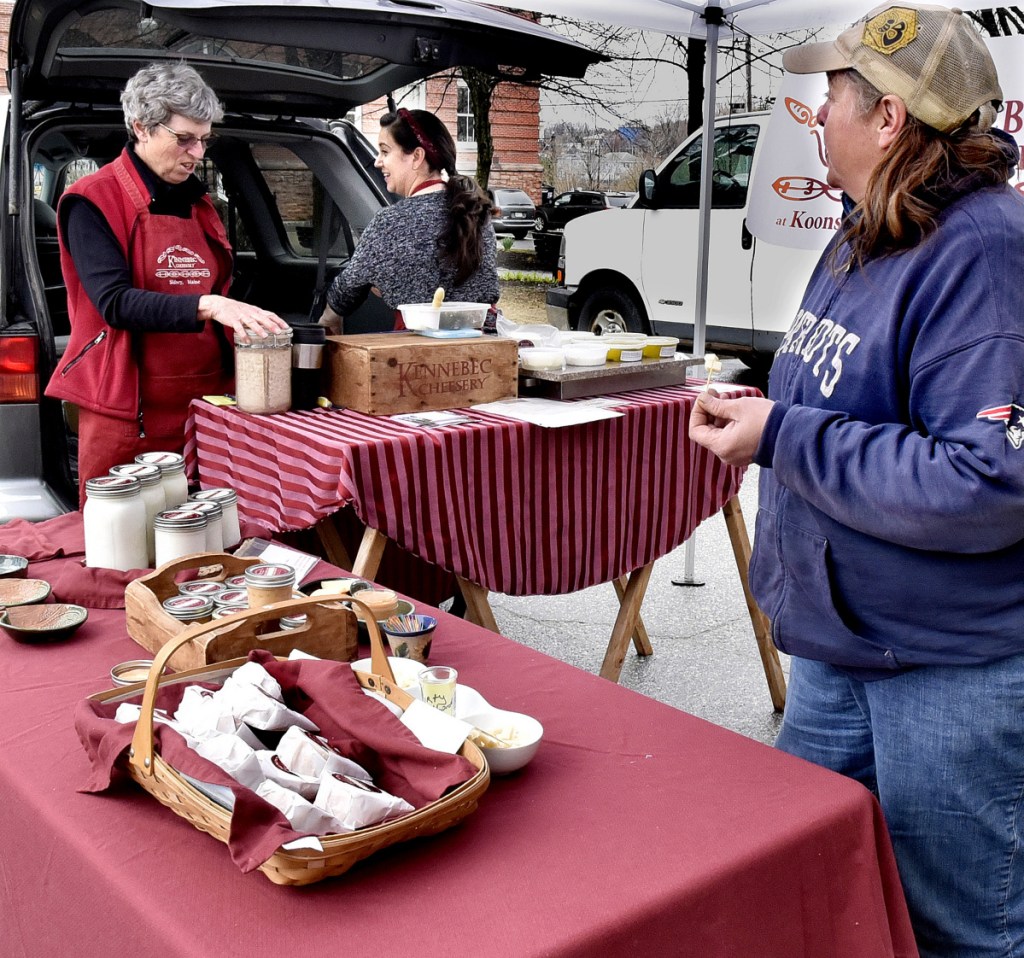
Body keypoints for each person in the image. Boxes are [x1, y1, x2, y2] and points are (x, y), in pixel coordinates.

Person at [689, 5, 1024, 954]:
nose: (816, 112)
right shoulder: (867, 229)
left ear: (888, 120)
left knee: (962, 929)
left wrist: (782, 433)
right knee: (820, 894)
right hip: (842, 652)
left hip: (942, 671)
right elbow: (850, 403)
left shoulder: (988, 250)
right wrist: (765, 407)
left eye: (832, 92)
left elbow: (986, 482)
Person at [46, 62, 289, 505]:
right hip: (128, 412)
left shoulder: (199, 204)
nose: (197, 153)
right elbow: (114, 303)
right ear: (141, 127)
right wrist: (211, 305)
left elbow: (221, 284)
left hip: (207, 405)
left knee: (209, 542)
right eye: (184, 139)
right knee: (125, 550)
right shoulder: (91, 200)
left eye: (204, 139)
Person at [319, 108, 498, 332]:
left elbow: (347, 289)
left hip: (414, 356)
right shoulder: (476, 213)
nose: (377, 162)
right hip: (484, 351)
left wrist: (329, 320)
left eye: (385, 151)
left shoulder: (390, 223)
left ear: (416, 157)